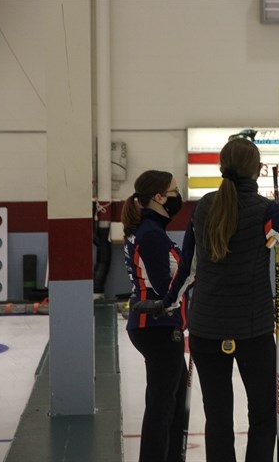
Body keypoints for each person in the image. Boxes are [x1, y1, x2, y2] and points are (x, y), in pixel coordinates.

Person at [139, 138, 279, 462]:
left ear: (221, 168)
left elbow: (188, 269)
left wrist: (167, 301)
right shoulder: (269, 211)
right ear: (258, 170)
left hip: (206, 330)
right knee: (262, 417)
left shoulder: (203, 206)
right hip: (253, 330)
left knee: (217, 419)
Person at [122, 170, 188, 462]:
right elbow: (165, 287)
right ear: (159, 197)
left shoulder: (154, 231)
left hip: (161, 324)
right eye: (174, 191)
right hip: (156, 326)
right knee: (163, 404)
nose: (178, 196)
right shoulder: (151, 234)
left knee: (174, 401)